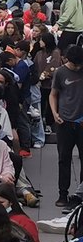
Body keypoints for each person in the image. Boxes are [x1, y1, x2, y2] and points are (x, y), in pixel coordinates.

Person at [50, 43, 83, 209]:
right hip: (64, 122)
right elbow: (53, 94)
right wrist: (55, 113)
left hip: (81, 122)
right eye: (74, 64)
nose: (77, 67)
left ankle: (80, 194)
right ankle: (62, 194)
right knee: (64, 159)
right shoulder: (60, 72)